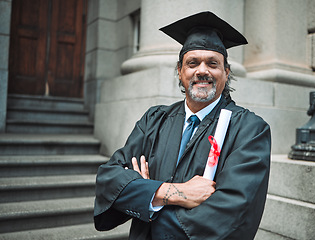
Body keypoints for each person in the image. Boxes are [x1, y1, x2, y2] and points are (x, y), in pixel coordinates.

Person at [94, 11, 271, 240]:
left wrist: (146, 197)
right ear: (180, 71)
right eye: (192, 63)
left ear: (226, 73)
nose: (202, 71)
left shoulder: (249, 130)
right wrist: (175, 194)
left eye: (213, 63)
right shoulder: (154, 120)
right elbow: (109, 180)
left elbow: (231, 213)